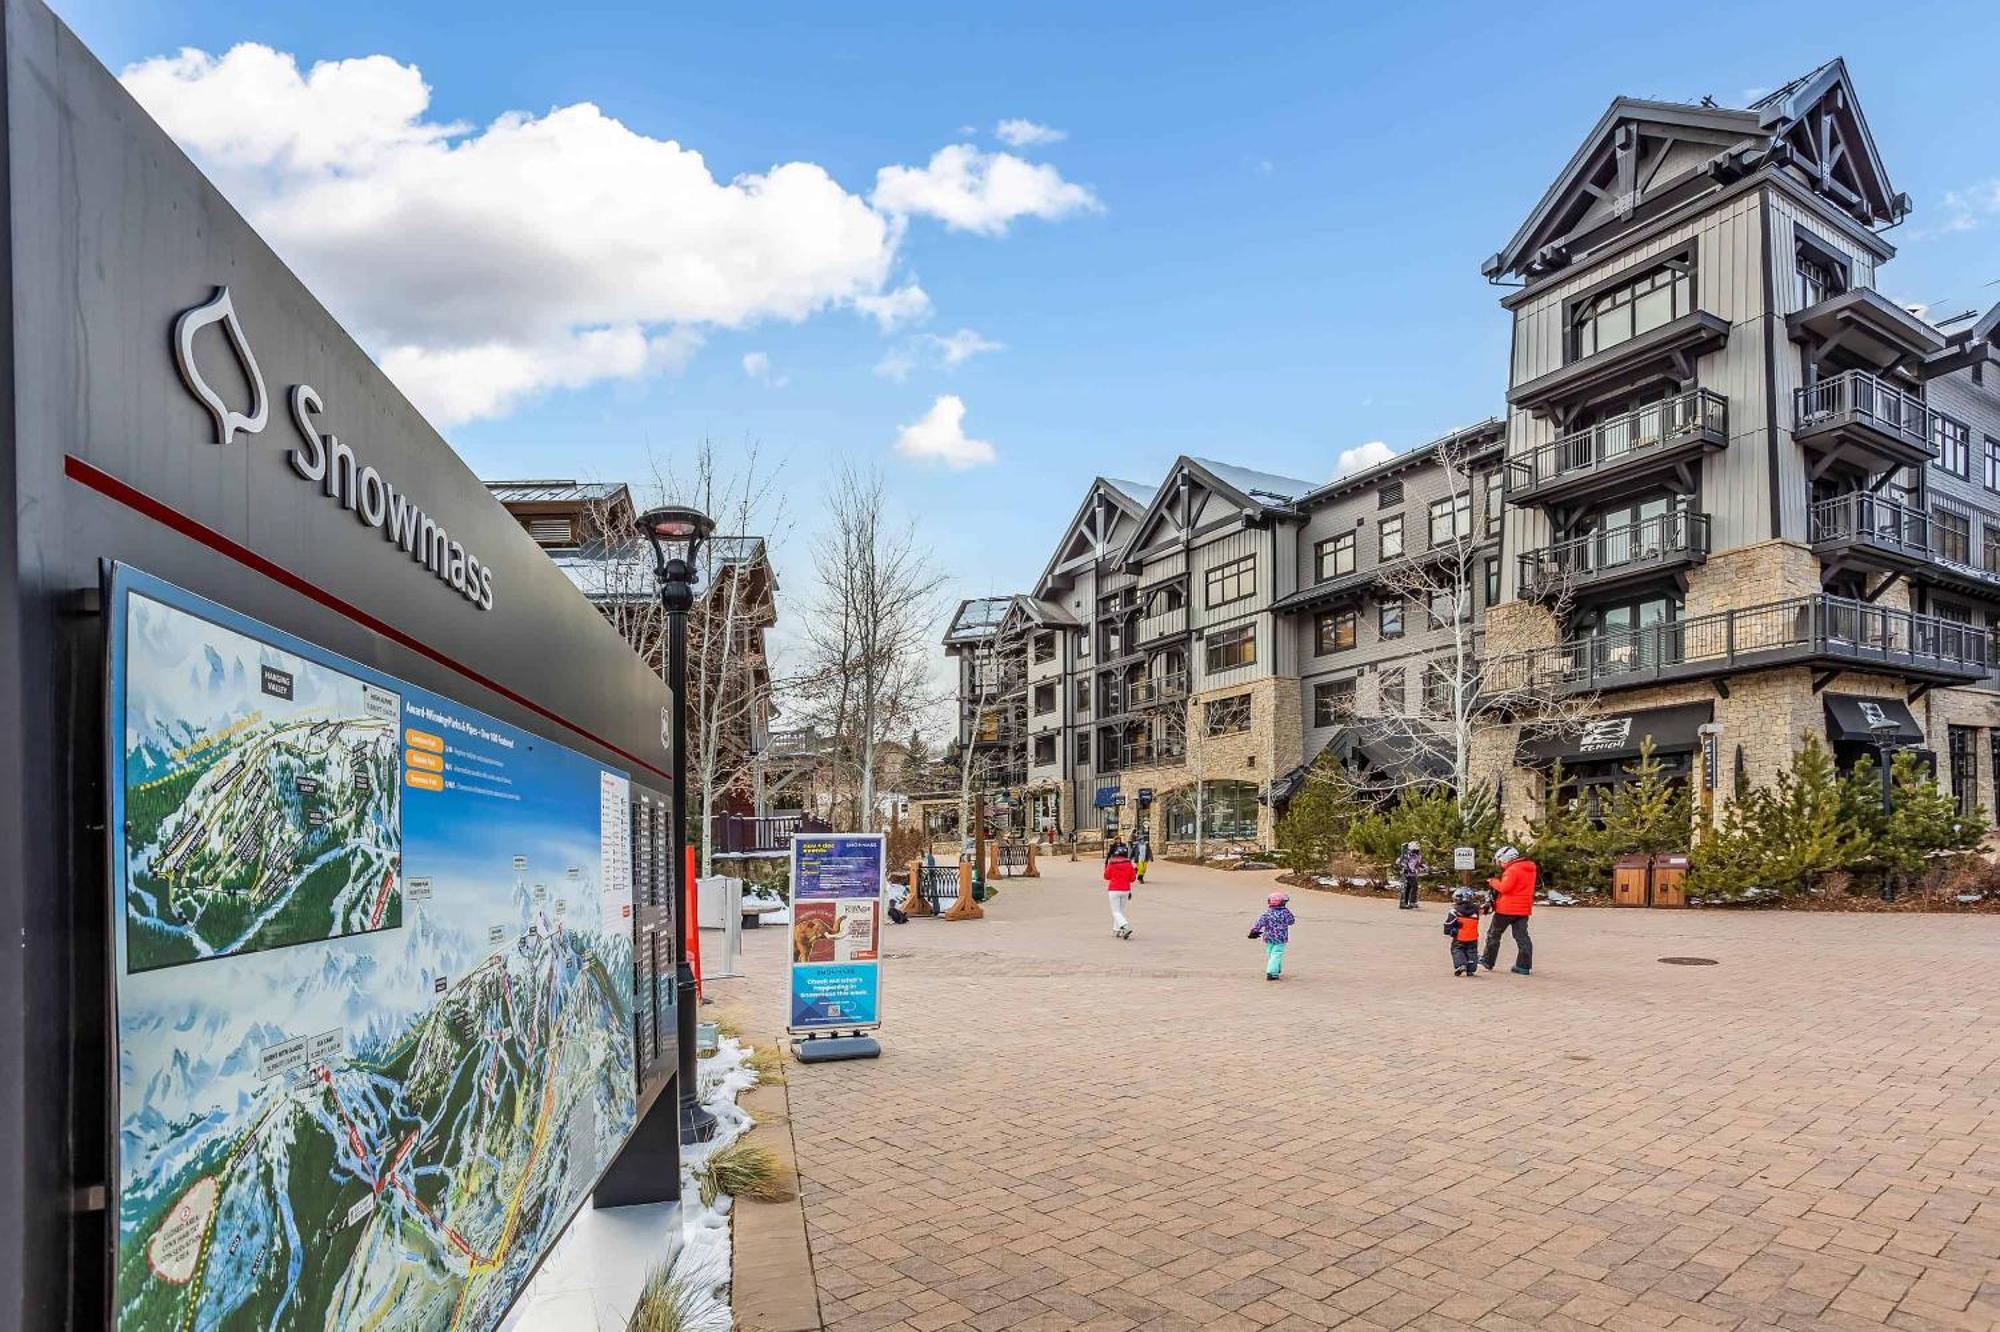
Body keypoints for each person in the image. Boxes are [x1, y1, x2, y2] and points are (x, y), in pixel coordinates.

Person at [1482, 845, 1536, 975]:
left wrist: (1493, 881)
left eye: (1500, 861)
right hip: (1523, 910)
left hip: (1506, 909)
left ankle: (1488, 960)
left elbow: (1505, 888)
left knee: (1494, 934)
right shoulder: (1530, 868)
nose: (1500, 864)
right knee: (1522, 937)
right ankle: (1523, 966)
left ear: (1506, 859)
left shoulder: (1512, 870)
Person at [1248, 891, 1296, 981]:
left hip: (1268, 937)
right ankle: (1272, 972)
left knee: (1271, 953)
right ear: (1282, 902)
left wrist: (1254, 931)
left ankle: (1276, 969)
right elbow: (1291, 921)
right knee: (1277, 954)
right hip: (1281, 938)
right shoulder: (1285, 912)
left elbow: (1259, 923)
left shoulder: (1267, 913)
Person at [1442, 887, 1484, 977]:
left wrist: (1447, 931)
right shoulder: (1476, 910)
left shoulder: (1455, 911)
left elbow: (1449, 923)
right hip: (1473, 937)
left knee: (1457, 949)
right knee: (1472, 951)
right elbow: (1484, 910)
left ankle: (1461, 965)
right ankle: (1471, 968)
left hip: (1459, 936)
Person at [1104, 844, 1137, 938]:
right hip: (1125, 890)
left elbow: (1106, 876)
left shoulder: (1112, 863)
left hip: (1114, 889)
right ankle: (1117, 930)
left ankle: (1125, 926)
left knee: (1115, 911)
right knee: (1120, 911)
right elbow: (1132, 879)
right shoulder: (1129, 864)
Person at [1397, 841, 1425, 910]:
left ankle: (1406, 903)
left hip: (1412, 873)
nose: (1417, 851)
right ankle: (1411, 902)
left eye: (1417, 850)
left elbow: (1418, 863)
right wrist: (1408, 869)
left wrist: (1424, 867)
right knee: (1414, 886)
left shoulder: (1417, 855)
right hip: (1408, 873)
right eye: (1415, 850)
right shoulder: (1407, 855)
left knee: (1409, 887)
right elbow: (1403, 863)